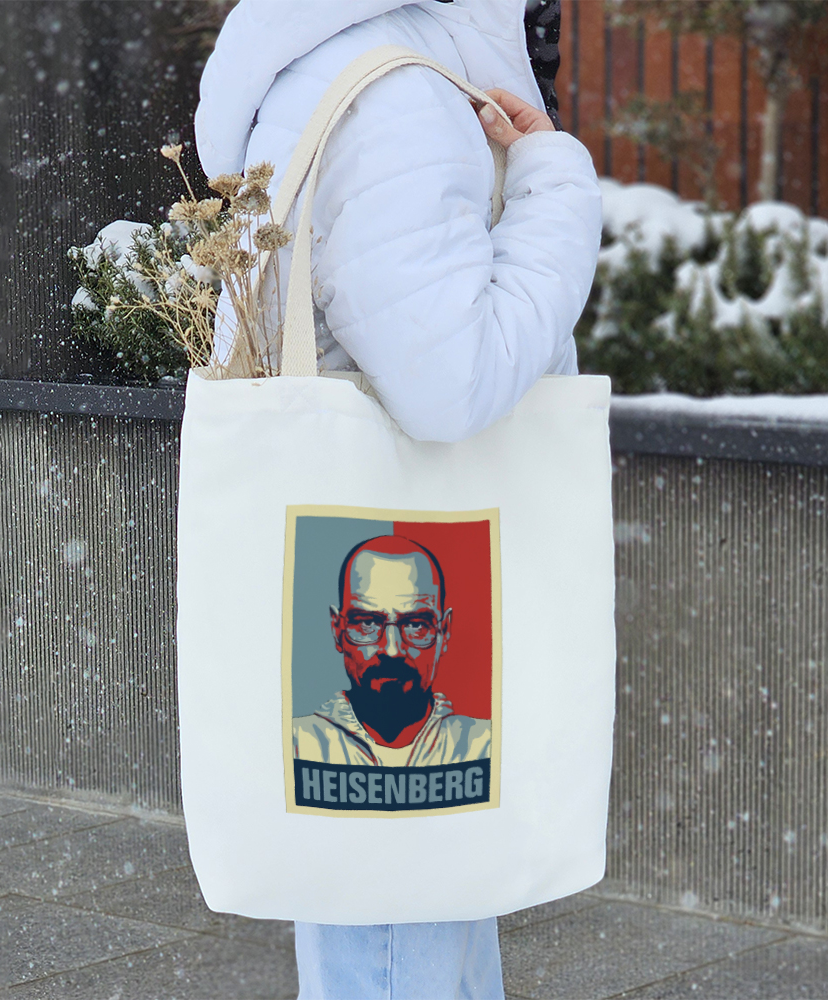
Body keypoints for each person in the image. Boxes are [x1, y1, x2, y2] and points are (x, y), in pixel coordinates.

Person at [195, 1, 601, 996]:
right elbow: (449, 384)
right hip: (410, 512)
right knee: (400, 924)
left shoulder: (349, 61)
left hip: (362, 522)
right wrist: (554, 185)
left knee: (406, 906)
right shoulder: (397, 95)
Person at [293, 535, 491, 767]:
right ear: (337, 629)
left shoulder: (486, 748)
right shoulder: (296, 747)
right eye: (367, 622)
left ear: (444, 632)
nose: (392, 650)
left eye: (416, 624)